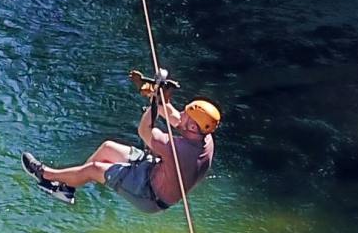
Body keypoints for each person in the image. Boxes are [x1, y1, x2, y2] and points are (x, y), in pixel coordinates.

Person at [21, 70, 219, 210]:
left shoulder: (178, 149)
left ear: (193, 127)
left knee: (95, 169)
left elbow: (144, 130)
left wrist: (154, 105)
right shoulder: (204, 138)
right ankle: (67, 189)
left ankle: (45, 175)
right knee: (108, 148)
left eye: (186, 114)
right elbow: (175, 118)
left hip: (150, 194)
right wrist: (158, 97)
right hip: (156, 171)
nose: (182, 113)